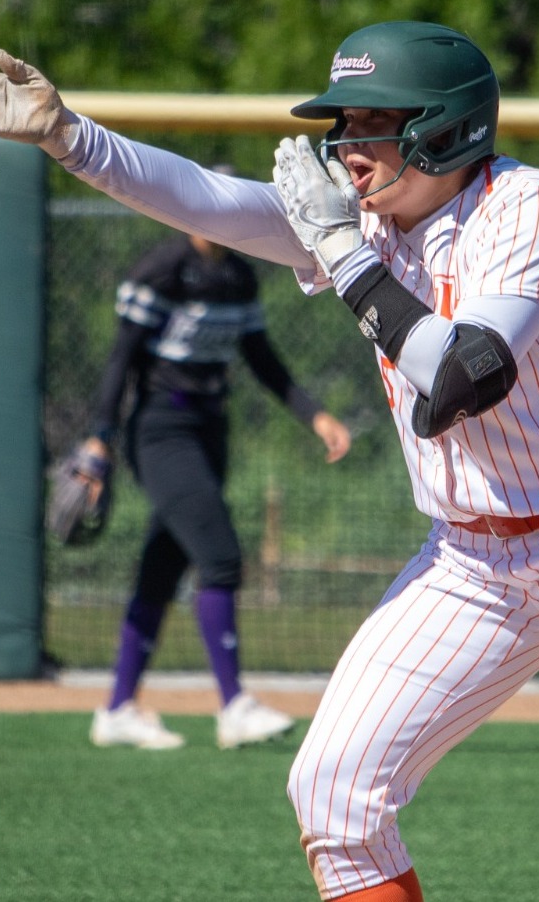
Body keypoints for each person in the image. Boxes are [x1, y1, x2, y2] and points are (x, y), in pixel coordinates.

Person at [0, 20, 539, 901]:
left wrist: (338, 250)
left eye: (371, 123)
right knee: (331, 790)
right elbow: (206, 201)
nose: (345, 147)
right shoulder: (360, 222)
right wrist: (70, 137)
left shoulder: (531, 207)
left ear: (442, 130)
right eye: (342, 124)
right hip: (473, 559)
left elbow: (459, 376)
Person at [82, 218, 353, 751]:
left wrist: (314, 414)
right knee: (220, 557)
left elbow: (261, 357)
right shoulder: (162, 270)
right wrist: (99, 441)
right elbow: (121, 359)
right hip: (161, 429)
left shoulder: (238, 277)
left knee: (163, 567)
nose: (225, 224)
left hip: (210, 430)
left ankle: (116, 709)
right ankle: (233, 706)